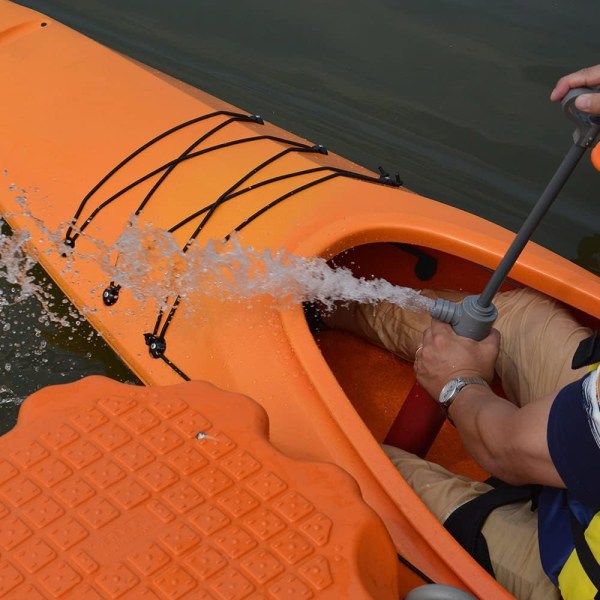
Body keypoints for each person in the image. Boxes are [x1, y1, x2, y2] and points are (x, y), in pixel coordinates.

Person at [325, 66, 600, 600]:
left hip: (565, 564)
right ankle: (325, 300)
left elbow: (505, 449)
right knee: (512, 317)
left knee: (345, 471)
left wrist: (457, 383)